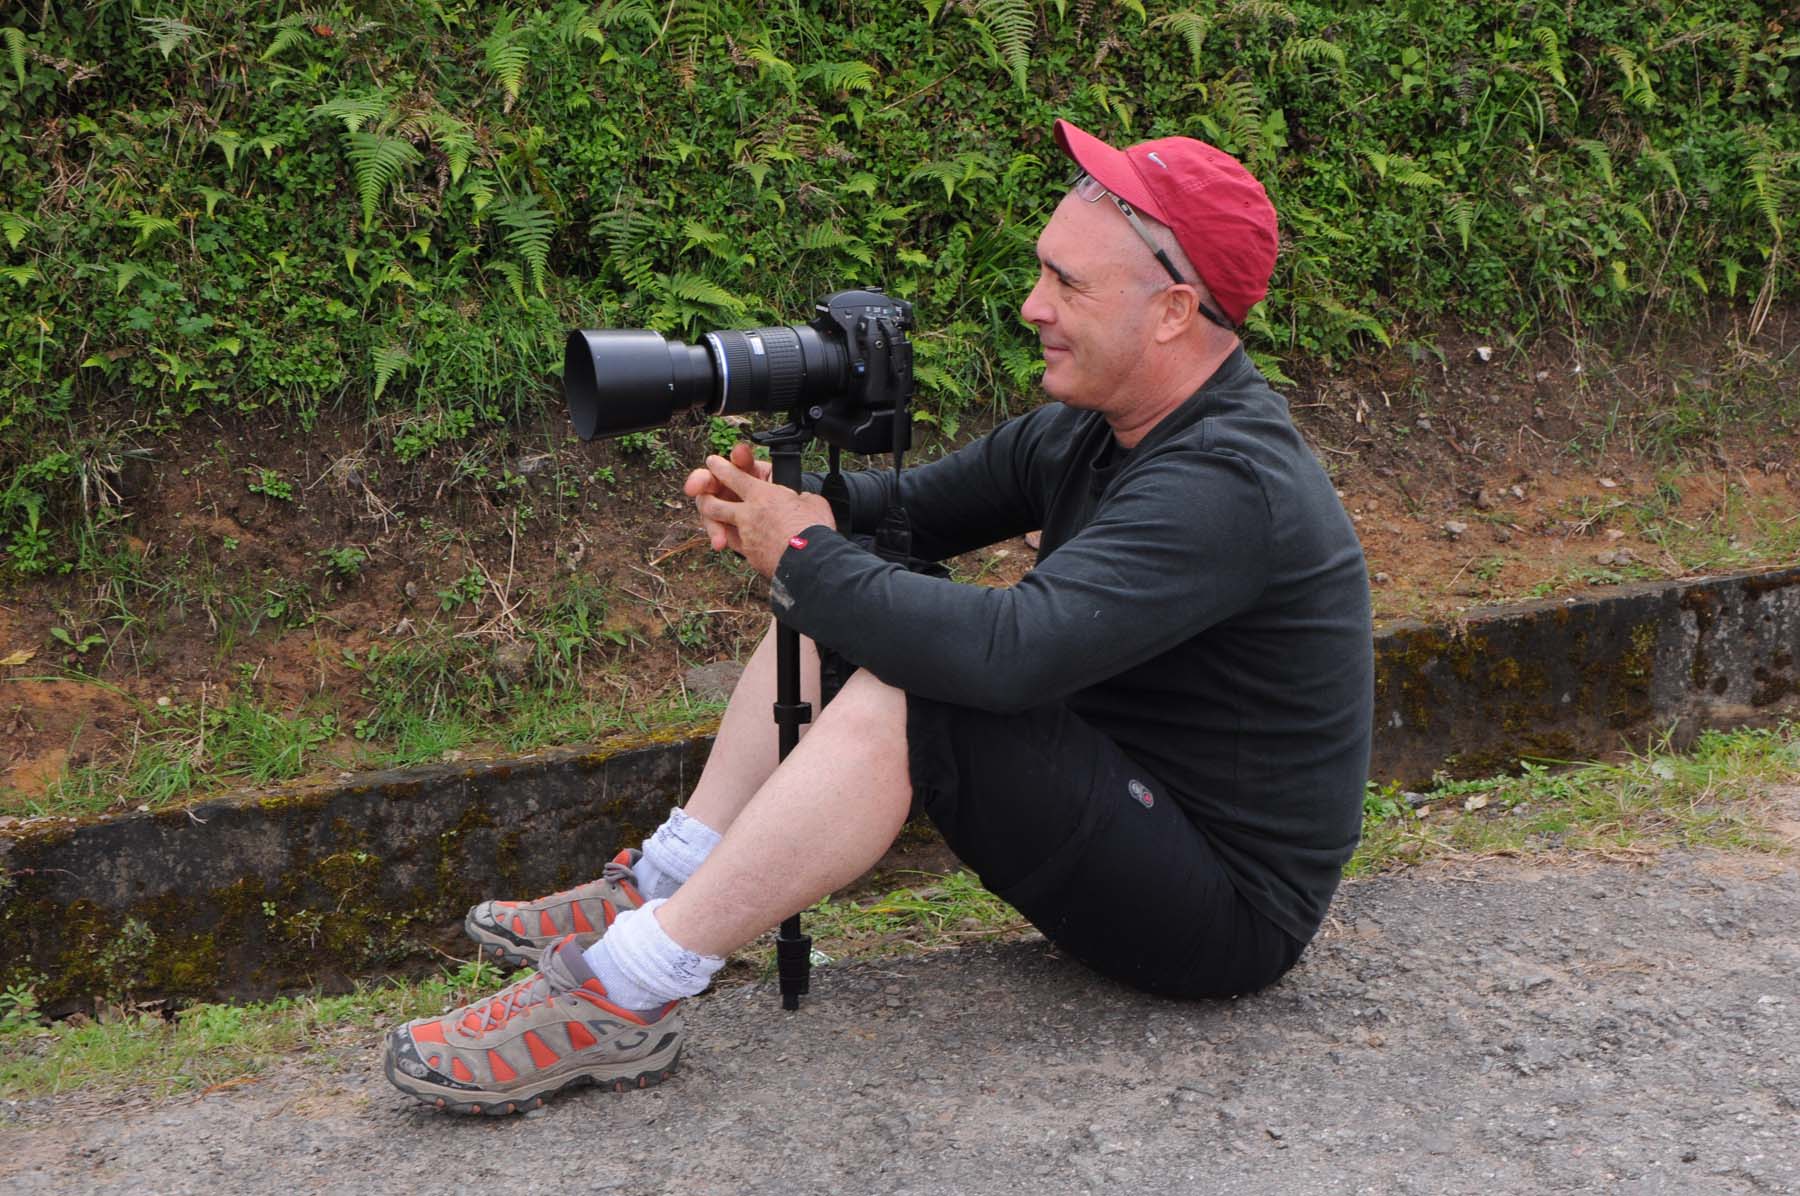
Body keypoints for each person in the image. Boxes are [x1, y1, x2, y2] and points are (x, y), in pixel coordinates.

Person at [383, 119, 1374, 1115]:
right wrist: (779, 502)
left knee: (921, 687)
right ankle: (668, 879)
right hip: (1122, 811)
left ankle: (624, 990)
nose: (1033, 305)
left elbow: (1008, 656)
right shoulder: (1094, 430)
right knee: (865, 578)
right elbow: (904, 513)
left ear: (1173, 311)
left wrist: (802, 548)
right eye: (1042, 272)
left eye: (1068, 285)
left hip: (1220, 913)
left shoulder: (1227, 483)